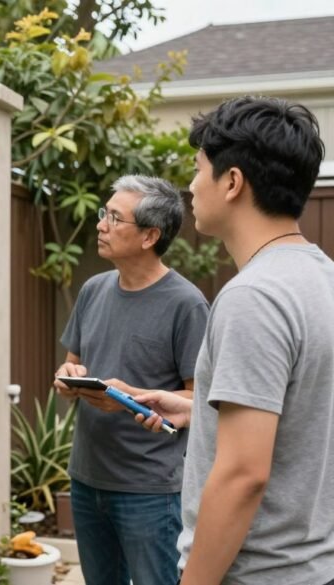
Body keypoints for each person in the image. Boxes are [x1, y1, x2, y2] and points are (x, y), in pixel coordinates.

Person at [118, 96, 334, 585]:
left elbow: (243, 475)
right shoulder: (321, 276)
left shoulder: (253, 297)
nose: (191, 186)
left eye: (198, 169)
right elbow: (304, 415)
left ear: (232, 181)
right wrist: (199, 411)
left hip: (257, 573)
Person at [52, 175, 209, 585]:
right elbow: (71, 366)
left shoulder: (187, 304)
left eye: (114, 218)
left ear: (150, 236)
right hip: (86, 480)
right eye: (104, 213)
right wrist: (68, 379)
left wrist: (128, 398)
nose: (100, 224)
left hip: (150, 491)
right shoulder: (93, 289)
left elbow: (198, 401)